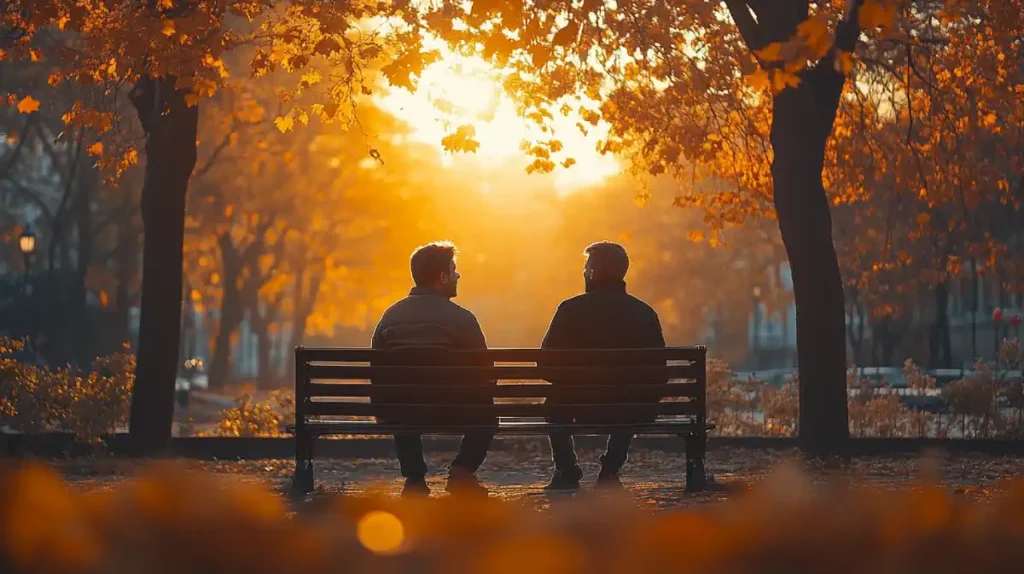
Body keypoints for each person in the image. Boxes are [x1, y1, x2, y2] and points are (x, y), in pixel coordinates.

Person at [370, 241, 495, 496]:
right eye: (453, 270)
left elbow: (378, 371)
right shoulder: (462, 318)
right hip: (453, 410)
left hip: (403, 411)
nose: (457, 275)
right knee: (488, 415)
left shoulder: (390, 317)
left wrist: (382, 406)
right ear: (442, 277)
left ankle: (414, 477)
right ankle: (462, 470)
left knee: (401, 399)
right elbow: (486, 373)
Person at [540, 241, 666, 491]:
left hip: (578, 406)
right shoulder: (644, 313)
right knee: (633, 398)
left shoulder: (570, 310)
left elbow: (544, 363)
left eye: (586, 267)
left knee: (553, 404)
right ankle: (610, 470)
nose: (584, 272)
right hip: (630, 409)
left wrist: (572, 381)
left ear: (593, 273)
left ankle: (566, 470)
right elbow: (658, 373)